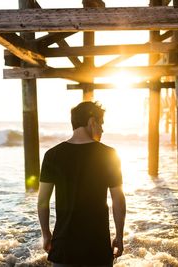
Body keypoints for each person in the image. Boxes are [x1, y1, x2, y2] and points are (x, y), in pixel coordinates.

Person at [37, 101, 126, 267]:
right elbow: (118, 200)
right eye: (101, 123)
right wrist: (119, 236)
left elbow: (42, 201)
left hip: (63, 245)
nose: (102, 129)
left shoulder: (52, 155)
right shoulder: (109, 154)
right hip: (97, 245)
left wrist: (46, 234)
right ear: (92, 121)